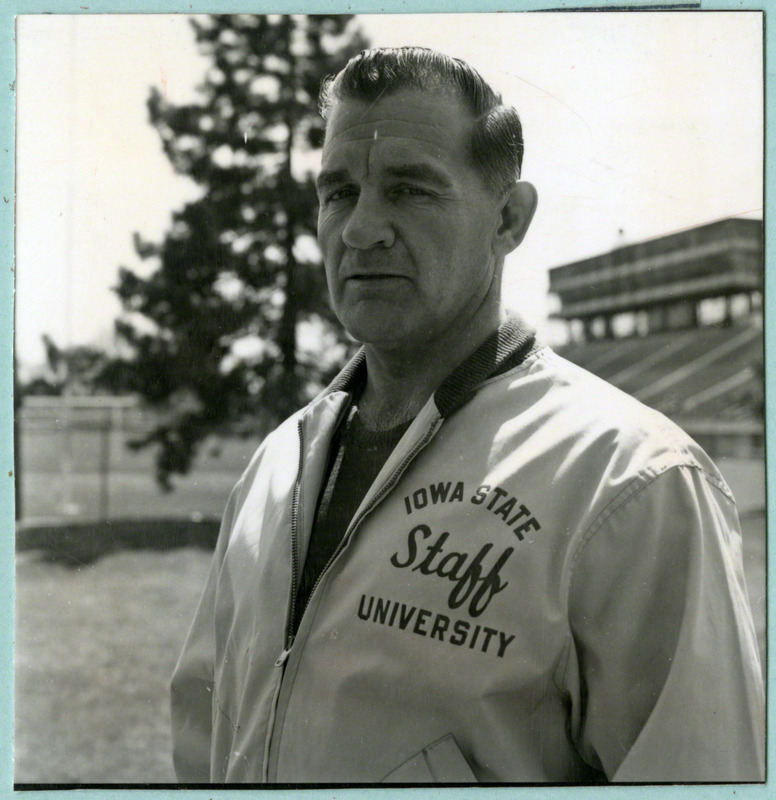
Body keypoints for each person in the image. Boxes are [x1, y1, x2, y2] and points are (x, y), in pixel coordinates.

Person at [170, 47, 764, 784]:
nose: (360, 230)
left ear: (509, 218)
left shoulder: (630, 483)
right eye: (338, 192)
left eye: (410, 190)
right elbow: (202, 742)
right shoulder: (277, 465)